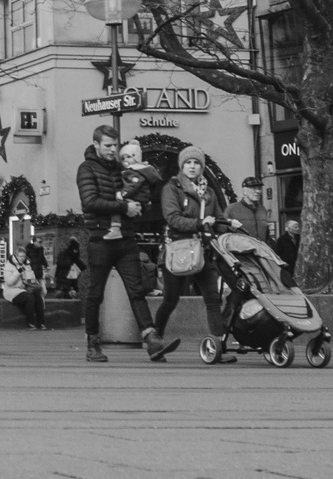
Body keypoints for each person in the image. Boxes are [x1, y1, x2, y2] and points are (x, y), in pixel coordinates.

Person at [77, 125, 176, 362]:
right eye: (108, 145)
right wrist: (124, 207)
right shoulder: (86, 168)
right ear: (97, 144)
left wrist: (142, 206)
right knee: (95, 294)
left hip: (126, 239)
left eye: (115, 145)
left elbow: (135, 196)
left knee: (137, 291)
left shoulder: (123, 169)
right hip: (100, 239)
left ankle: (152, 339)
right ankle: (93, 343)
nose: (113, 150)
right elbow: (90, 202)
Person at [152, 146, 230, 362]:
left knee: (213, 300)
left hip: (203, 253)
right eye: (188, 163)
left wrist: (227, 223)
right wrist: (199, 223)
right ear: (182, 166)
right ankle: (155, 341)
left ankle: (218, 347)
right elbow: (173, 218)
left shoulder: (210, 193)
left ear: (202, 167)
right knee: (170, 299)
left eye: (196, 163)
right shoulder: (172, 188)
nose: (192, 166)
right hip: (180, 250)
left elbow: (218, 219)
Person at [1, 253, 48, 329]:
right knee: (30, 297)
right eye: (20, 256)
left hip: (23, 289)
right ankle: (30, 323)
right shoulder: (9, 266)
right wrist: (18, 272)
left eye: (24, 256)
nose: (22, 258)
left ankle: (41, 323)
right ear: (15, 256)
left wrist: (30, 282)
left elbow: (31, 278)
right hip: (12, 291)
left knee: (37, 295)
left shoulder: (26, 265)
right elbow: (9, 282)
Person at [230, 177, 271, 242]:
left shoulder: (262, 209)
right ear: (244, 191)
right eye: (254, 188)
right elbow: (221, 230)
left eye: (259, 188)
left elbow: (267, 235)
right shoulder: (232, 209)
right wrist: (231, 228)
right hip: (240, 251)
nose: (258, 191)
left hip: (260, 250)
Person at [274, 220, 301, 288]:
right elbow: (277, 253)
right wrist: (282, 263)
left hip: (298, 264)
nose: (298, 229)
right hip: (287, 265)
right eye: (295, 227)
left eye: (297, 227)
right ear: (289, 228)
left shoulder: (299, 238)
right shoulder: (282, 239)